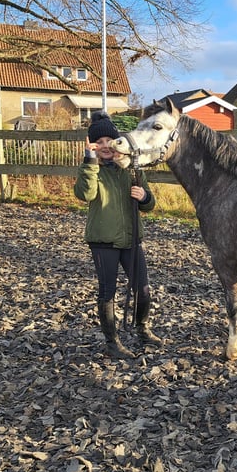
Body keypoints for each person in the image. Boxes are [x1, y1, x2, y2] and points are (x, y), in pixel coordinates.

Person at [74, 114, 161, 358]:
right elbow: (86, 194)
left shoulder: (131, 170)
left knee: (143, 288)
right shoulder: (91, 170)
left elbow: (149, 204)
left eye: (109, 140)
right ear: (93, 146)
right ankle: (112, 342)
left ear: (117, 142)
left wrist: (144, 197)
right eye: (98, 142)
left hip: (131, 239)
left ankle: (142, 328)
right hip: (103, 241)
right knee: (107, 292)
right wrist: (90, 161)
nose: (105, 145)